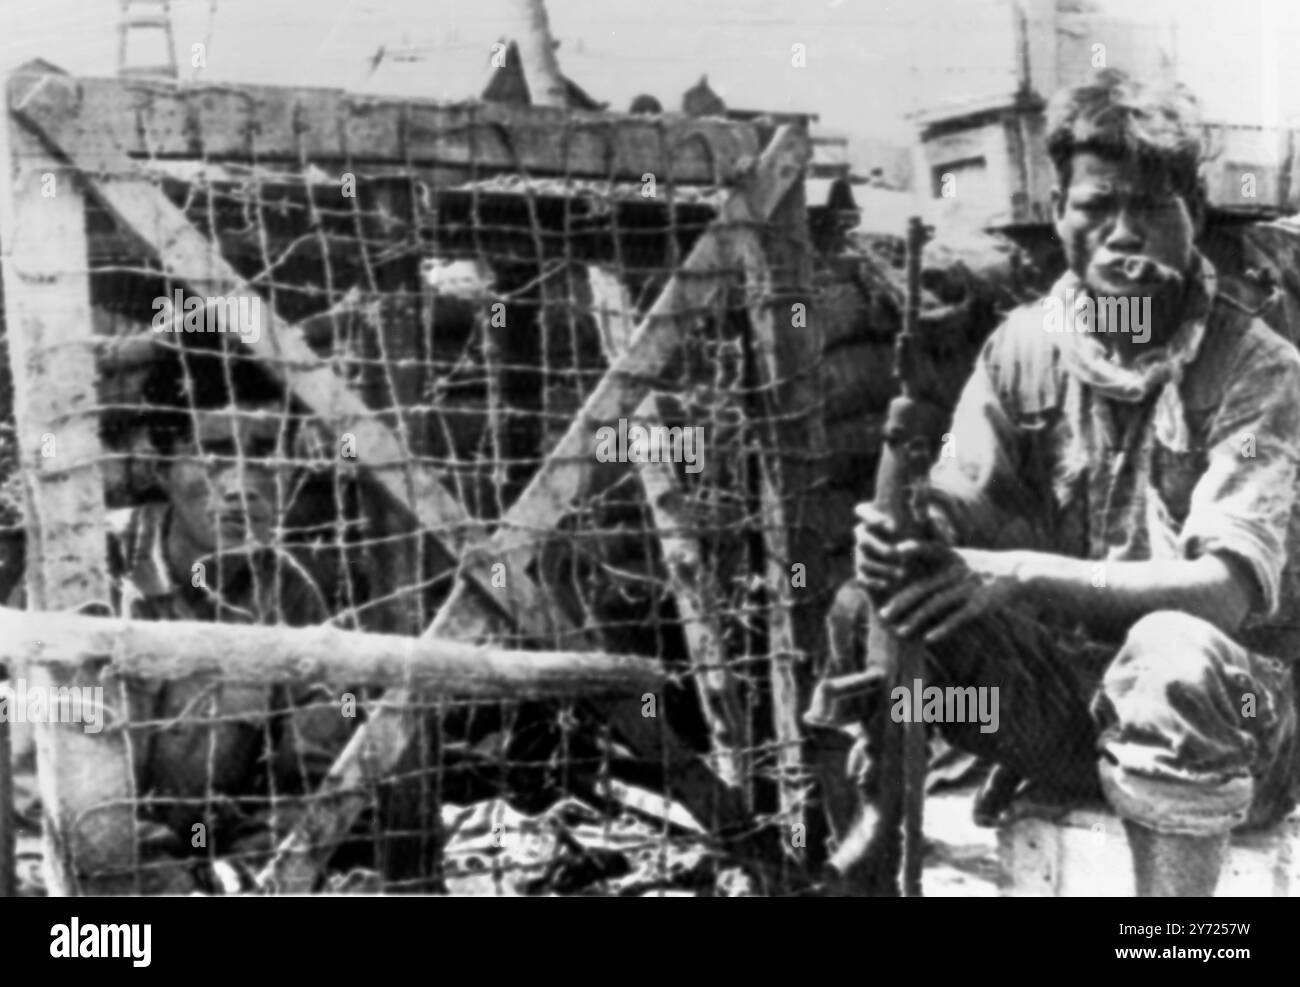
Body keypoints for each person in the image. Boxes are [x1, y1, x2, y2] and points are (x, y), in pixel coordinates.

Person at [847, 68, 1300, 896]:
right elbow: (957, 517)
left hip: (1239, 721)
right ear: (1060, 214)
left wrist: (1015, 573)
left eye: (1151, 209)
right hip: (1070, 709)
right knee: (886, 602)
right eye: (1097, 207)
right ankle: (874, 849)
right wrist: (903, 538)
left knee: (1173, 653)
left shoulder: (1258, 367)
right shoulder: (1026, 347)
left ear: (1192, 219)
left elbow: (1222, 593)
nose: (1123, 235)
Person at [9, 345, 350, 893]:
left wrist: (247, 874)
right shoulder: (82, 574)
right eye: (213, 451)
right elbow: (47, 792)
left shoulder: (294, 596)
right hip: (72, 870)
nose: (242, 484)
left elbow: (309, 778)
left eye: (263, 451)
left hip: (216, 872)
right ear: (162, 465)